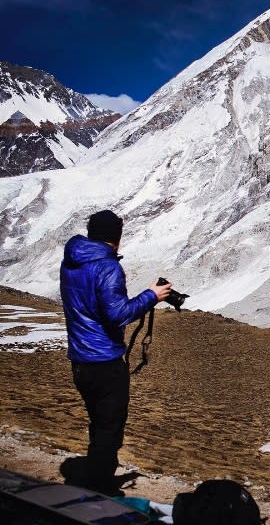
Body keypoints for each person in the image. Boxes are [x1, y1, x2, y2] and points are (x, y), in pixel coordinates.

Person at [60, 209, 171, 495]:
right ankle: (99, 493)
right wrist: (152, 296)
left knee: (98, 423)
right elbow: (118, 314)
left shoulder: (71, 260)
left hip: (80, 361)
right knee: (110, 428)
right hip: (105, 362)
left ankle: (94, 478)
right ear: (116, 238)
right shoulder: (107, 267)